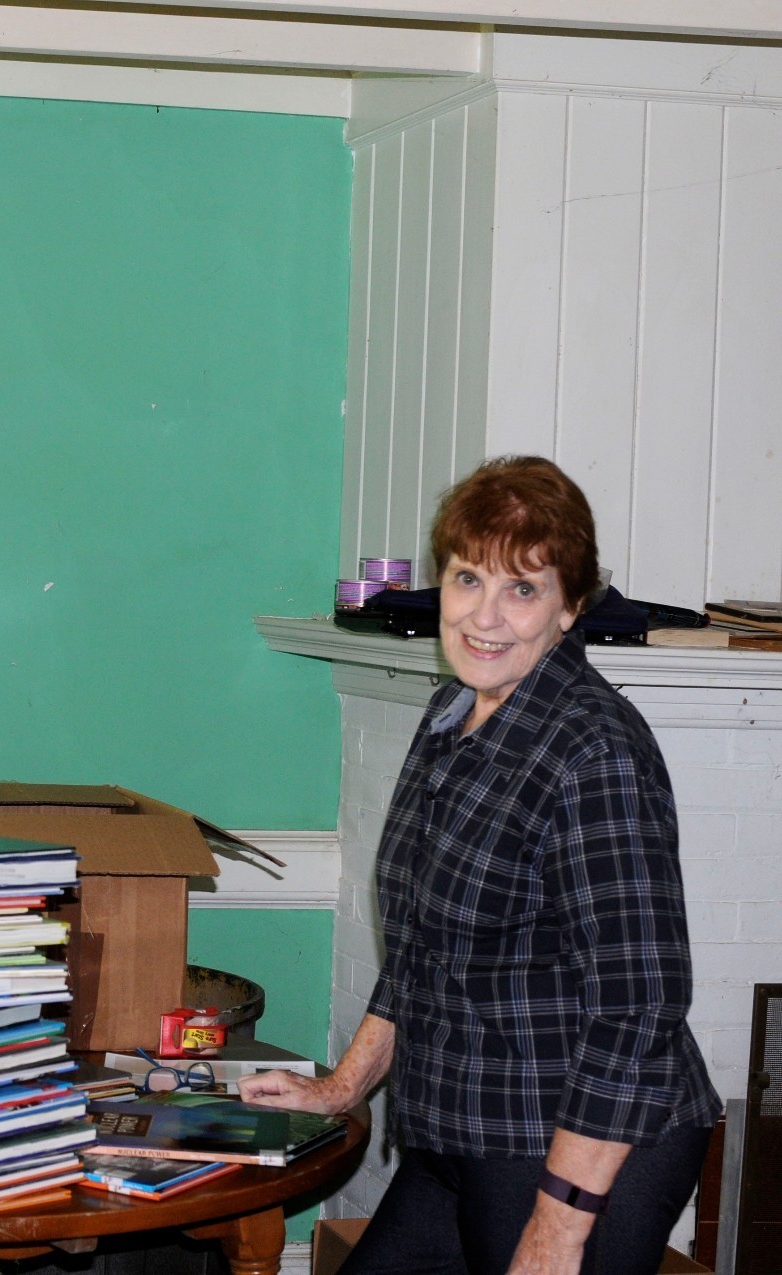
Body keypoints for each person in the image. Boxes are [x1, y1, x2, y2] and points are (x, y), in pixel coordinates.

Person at [241, 456, 720, 1275]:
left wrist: (557, 1231)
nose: (485, 615)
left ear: (570, 606)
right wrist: (342, 1086)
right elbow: (424, 946)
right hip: (463, 1131)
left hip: (576, 1151)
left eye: (523, 588)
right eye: (469, 578)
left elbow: (638, 1007)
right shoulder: (452, 712)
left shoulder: (592, 751)